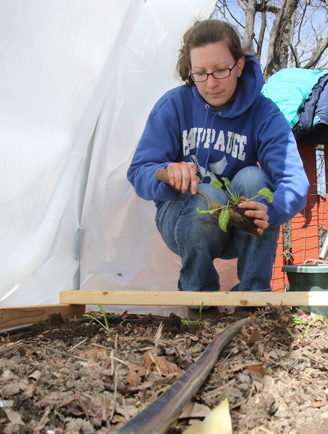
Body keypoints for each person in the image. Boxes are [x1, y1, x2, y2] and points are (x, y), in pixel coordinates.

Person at [127, 19, 309, 299]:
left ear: (238, 65)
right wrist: (167, 172)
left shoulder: (263, 113)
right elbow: (139, 171)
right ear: (190, 71)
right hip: (181, 220)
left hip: (239, 225)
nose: (210, 83)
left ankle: (254, 296)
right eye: (200, 73)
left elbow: (294, 181)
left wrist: (270, 209)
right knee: (207, 191)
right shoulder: (173, 106)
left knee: (254, 179)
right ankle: (197, 298)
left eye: (221, 71)